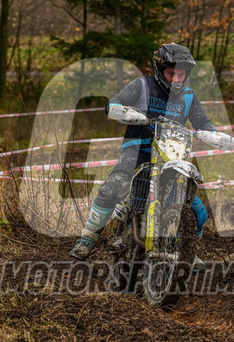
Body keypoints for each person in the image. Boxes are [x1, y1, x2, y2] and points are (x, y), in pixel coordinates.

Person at [70, 43, 216, 260]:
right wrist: (119, 110)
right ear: (160, 70)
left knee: (196, 208)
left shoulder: (189, 96)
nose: (176, 79)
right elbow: (115, 102)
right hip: (138, 151)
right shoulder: (142, 86)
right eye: (171, 73)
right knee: (113, 187)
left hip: (172, 156)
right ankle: (88, 237)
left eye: (181, 75)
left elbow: (202, 121)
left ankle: (186, 250)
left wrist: (212, 133)